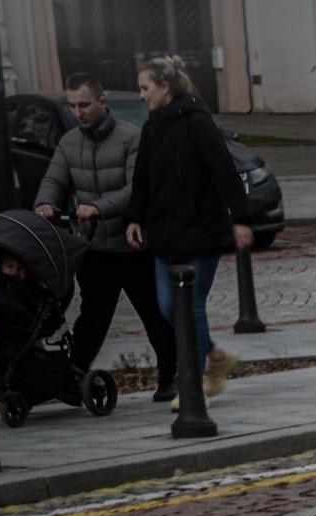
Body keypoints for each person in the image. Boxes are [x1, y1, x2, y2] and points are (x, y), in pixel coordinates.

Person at [32, 72, 175, 402]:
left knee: (154, 314)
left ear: (102, 102)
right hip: (94, 247)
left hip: (133, 244)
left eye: (84, 104)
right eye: (72, 106)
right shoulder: (70, 142)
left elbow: (136, 189)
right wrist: (45, 203)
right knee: (93, 315)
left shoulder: (131, 138)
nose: (78, 112)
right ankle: (74, 376)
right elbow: (55, 179)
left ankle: (170, 376)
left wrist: (98, 208)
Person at [126, 55, 253, 403]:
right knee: (168, 307)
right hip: (165, 235)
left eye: (145, 88)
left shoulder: (197, 121)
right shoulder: (152, 126)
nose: (141, 95)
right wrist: (135, 217)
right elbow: (143, 178)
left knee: (191, 306)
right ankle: (215, 357)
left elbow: (225, 171)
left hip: (202, 231)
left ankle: (193, 385)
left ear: (165, 87)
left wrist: (240, 220)